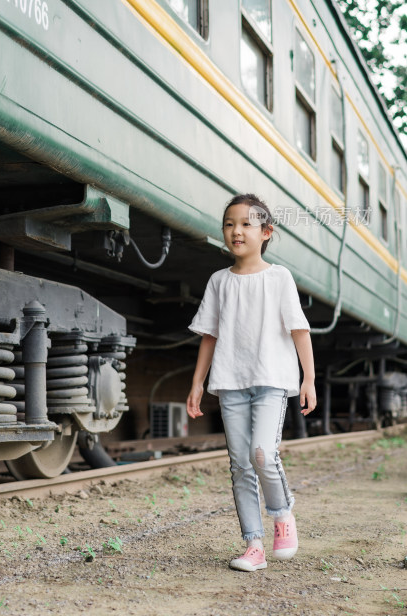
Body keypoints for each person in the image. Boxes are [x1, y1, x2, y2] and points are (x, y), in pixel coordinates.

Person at [186, 193, 317, 572]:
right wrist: (198, 383)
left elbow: (299, 330)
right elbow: (209, 335)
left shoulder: (279, 277)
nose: (236, 231)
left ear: (266, 232)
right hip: (230, 383)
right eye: (229, 224)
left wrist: (308, 378)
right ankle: (253, 546)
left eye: (245, 224)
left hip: (271, 381)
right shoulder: (218, 282)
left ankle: (283, 514)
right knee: (241, 465)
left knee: (262, 453)